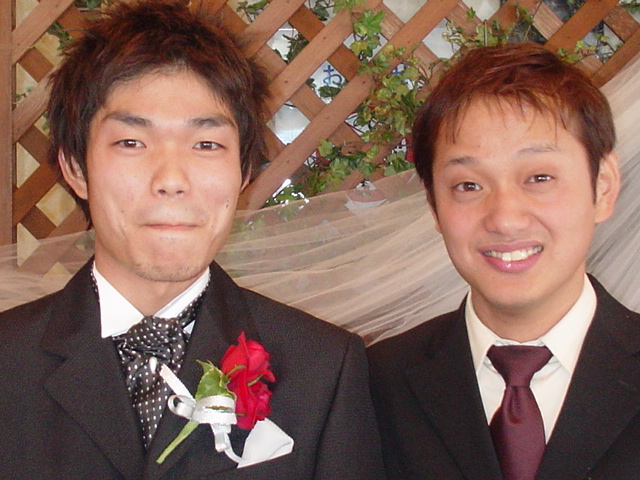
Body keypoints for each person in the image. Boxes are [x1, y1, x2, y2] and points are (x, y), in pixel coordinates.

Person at [0, 2, 385, 479]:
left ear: (244, 171)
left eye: (206, 144)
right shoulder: (8, 360)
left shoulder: (324, 366)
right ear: (76, 167)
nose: (171, 180)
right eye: (131, 143)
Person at [367, 42, 640, 480]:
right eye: (468, 186)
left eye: (539, 178)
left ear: (603, 187)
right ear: (434, 206)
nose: (505, 219)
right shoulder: (374, 384)